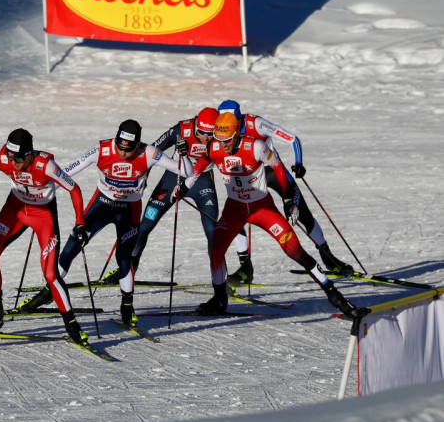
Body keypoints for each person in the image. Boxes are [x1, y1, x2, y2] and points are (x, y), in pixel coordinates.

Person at [177, 113, 358, 317]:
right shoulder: (213, 147)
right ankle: (219, 299)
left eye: (227, 140)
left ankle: (334, 295)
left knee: (295, 250)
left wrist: (289, 200)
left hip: (262, 208)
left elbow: (278, 168)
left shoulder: (255, 146)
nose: (224, 145)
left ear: (237, 133)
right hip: (234, 208)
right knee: (216, 248)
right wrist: (183, 187)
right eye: (219, 140)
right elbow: (197, 170)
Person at [19, 119, 194, 328]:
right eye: (120, 147)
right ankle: (49, 292)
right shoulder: (100, 149)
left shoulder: (148, 153)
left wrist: (186, 154)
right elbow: (69, 171)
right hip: (101, 204)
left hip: (129, 209)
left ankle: (127, 304)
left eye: (128, 150)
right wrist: (43, 190)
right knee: (71, 247)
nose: (122, 153)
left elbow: (187, 172)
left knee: (124, 258)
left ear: (137, 145)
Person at [0, 128, 90, 345]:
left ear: (30, 153)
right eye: (11, 157)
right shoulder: (4, 157)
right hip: (15, 211)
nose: (14, 163)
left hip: (43, 217)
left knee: (50, 274)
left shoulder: (45, 165)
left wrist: (80, 223)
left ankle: (71, 324)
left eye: (19, 158)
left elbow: (74, 189)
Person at [217, 100, 354, 283]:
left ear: (239, 117)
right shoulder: (222, 130)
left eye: (233, 120)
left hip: (272, 172)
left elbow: (292, 139)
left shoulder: (255, 123)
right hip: (246, 176)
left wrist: (298, 163)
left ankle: (329, 258)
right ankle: (245, 268)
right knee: (236, 214)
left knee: (301, 213)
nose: (228, 125)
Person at [127, 107, 251, 282]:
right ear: (195, 126)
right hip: (173, 178)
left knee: (212, 231)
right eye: (201, 132)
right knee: (146, 225)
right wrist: (142, 176)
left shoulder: (221, 135)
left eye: (210, 133)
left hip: (202, 181)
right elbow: (152, 149)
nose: (206, 138)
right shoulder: (182, 130)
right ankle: (128, 272)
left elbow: (238, 154)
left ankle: (220, 281)